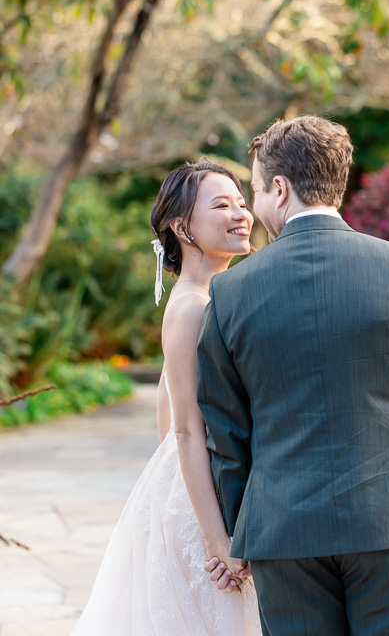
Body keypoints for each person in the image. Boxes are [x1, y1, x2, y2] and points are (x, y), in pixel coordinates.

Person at [197, 116, 389, 636]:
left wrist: (244, 532)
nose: (256, 208)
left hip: (284, 534)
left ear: (279, 189)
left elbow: (226, 430)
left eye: (257, 192)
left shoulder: (231, 294)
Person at [71, 160, 261, 636]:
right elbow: (184, 428)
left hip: (192, 490)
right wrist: (215, 539)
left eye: (242, 201)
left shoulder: (204, 296)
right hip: (208, 507)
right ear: (181, 227)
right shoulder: (193, 307)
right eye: (222, 205)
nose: (242, 214)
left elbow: (165, 413)